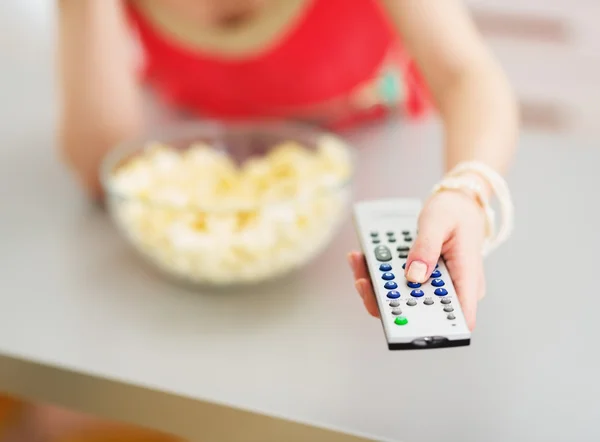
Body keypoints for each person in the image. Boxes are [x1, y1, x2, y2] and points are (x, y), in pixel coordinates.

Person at [3, 0, 518, 440]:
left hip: (369, 179)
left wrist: (466, 188)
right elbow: (101, 165)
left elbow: (467, 76)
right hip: (206, 203)